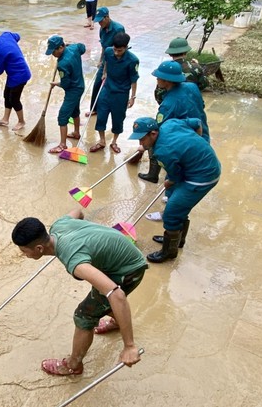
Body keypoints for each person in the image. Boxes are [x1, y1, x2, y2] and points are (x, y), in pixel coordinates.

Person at [11, 210, 146, 376]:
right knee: (98, 301)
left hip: (128, 271)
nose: (23, 255)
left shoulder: (74, 260)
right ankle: (118, 321)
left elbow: (117, 295)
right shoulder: (59, 225)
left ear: (39, 248)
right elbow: (78, 212)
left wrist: (129, 346)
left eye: (24, 251)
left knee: (83, 316)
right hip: (121, 257)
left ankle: (73, 365)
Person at [128, 117, 221, 263]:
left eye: (142, 139)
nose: (140, 143)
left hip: (202, 176)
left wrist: (169, 181)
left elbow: (175, 177)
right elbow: (197, 122)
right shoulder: (169, 124)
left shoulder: (164, 152)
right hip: (205, 164)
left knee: (171, 212)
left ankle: (169, 252)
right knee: (178, 206)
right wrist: (198, 143)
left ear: (153, 134)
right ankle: (177, 240)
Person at [139, 61, 210, 184]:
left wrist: (144, 145)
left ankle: (154, 176)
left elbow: (158, 132)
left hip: (186, 144)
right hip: (203, 135)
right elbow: (201, 105)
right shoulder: (192, 87)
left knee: (174, 172)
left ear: (167, 80)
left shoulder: (167, 105)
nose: (156, 79)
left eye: (159, 77)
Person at [90, 33, 138, 154]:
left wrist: (133, 97)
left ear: (126, 47)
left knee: (118, 118)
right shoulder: (108, 51)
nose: (116, 52)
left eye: (120, 50)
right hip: (106, 89)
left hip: (121, 93)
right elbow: (106, 62)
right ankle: (101, 141)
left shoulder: (133, 60)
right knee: (101, 116)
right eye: (115, 49)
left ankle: (114, 142)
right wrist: (104, 73)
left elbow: (134, 79)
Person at [44, 35, 84, 154]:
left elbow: (66, 84)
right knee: (74, 111)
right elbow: (83, 47)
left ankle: (62, 145)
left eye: (54, 51)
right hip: (80, 85)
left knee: (62, 116)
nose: (53, 54)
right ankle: (76, 132)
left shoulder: (63, 63)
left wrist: (56, 83)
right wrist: (71, 45)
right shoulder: (74, 48)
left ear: (61, 47)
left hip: (73, 90)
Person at [86, 7, 125, 117]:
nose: (99, 23)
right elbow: (104, 46)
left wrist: (109, 69)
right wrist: (100, 61)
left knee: (111, 86)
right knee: (98, 82)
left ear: (107, 17)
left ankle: (112, 110)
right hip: (105, 60)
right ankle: (94, 108)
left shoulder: (118, 29)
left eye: (101, 20)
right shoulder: (102, 29)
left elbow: (120, 49)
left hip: (116, 61)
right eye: (97, 21)